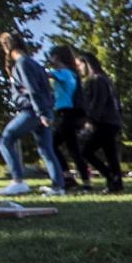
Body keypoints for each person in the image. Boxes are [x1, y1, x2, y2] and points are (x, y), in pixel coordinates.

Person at [0, 30, 64, 196]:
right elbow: (45, 89)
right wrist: (46, 111)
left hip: (32, 110)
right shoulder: (36, 64)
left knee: (5, 140)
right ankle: (58, 187)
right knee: (46, 149)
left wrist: (41, 113)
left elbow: (32, 90)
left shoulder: (22, 64)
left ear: (7, 48)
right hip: (44, 109)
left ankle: (18, 181)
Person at [73, 48, 126, 192]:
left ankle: (111, 178)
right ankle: (116, 183)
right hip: (111, 122)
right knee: (110, 154)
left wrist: (90, 122)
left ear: (87, 63)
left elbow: (98, 103)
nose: (79, 69)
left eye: (79, 65)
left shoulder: (97, 80)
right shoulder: (104, 79)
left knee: (87, 152)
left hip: (105, 122)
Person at [45, 44, 88, 190]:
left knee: (65, 147)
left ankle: (76, 179)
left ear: (56, 57)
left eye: (50, 56)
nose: (49, 59)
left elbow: (46, 74)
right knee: (63, 146)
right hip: (68, 114)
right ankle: (74, 178)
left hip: (67, 114)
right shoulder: (70, 73)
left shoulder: (63, 72)